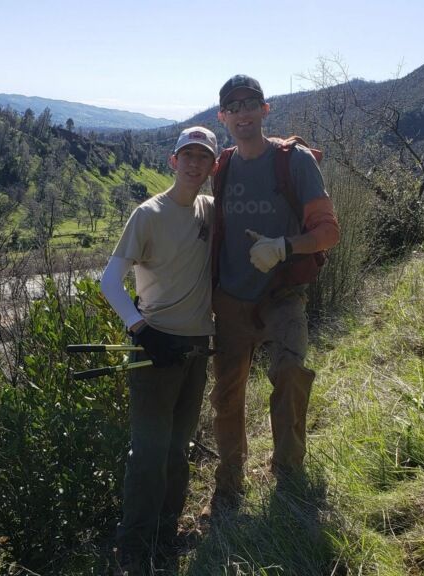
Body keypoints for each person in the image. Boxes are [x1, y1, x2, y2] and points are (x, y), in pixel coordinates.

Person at [206, 74, 340, 514]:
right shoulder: (222, 166)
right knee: (227, 393)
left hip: (282, 293)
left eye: (251, 104)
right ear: (223, 116)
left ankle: (288, 473)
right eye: (233, 106)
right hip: (231, 299)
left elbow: (328, 231)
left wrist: (284, 247)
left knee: (289, 374)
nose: (243, 113)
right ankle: (230, 484)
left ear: (266, 110)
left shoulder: (294, 160)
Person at [100, 126, 219, 574]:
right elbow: (109, 282)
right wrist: (141, 330)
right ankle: (133, 547)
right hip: (155, 350)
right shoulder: (147, 214)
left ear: (211, 167)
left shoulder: (211, 210)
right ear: (173, 161)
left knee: (177, 448)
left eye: (203, 158)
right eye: (187, 156)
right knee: (149, 451)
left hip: (195, 349)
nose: (194, 164)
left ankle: (165, 536)